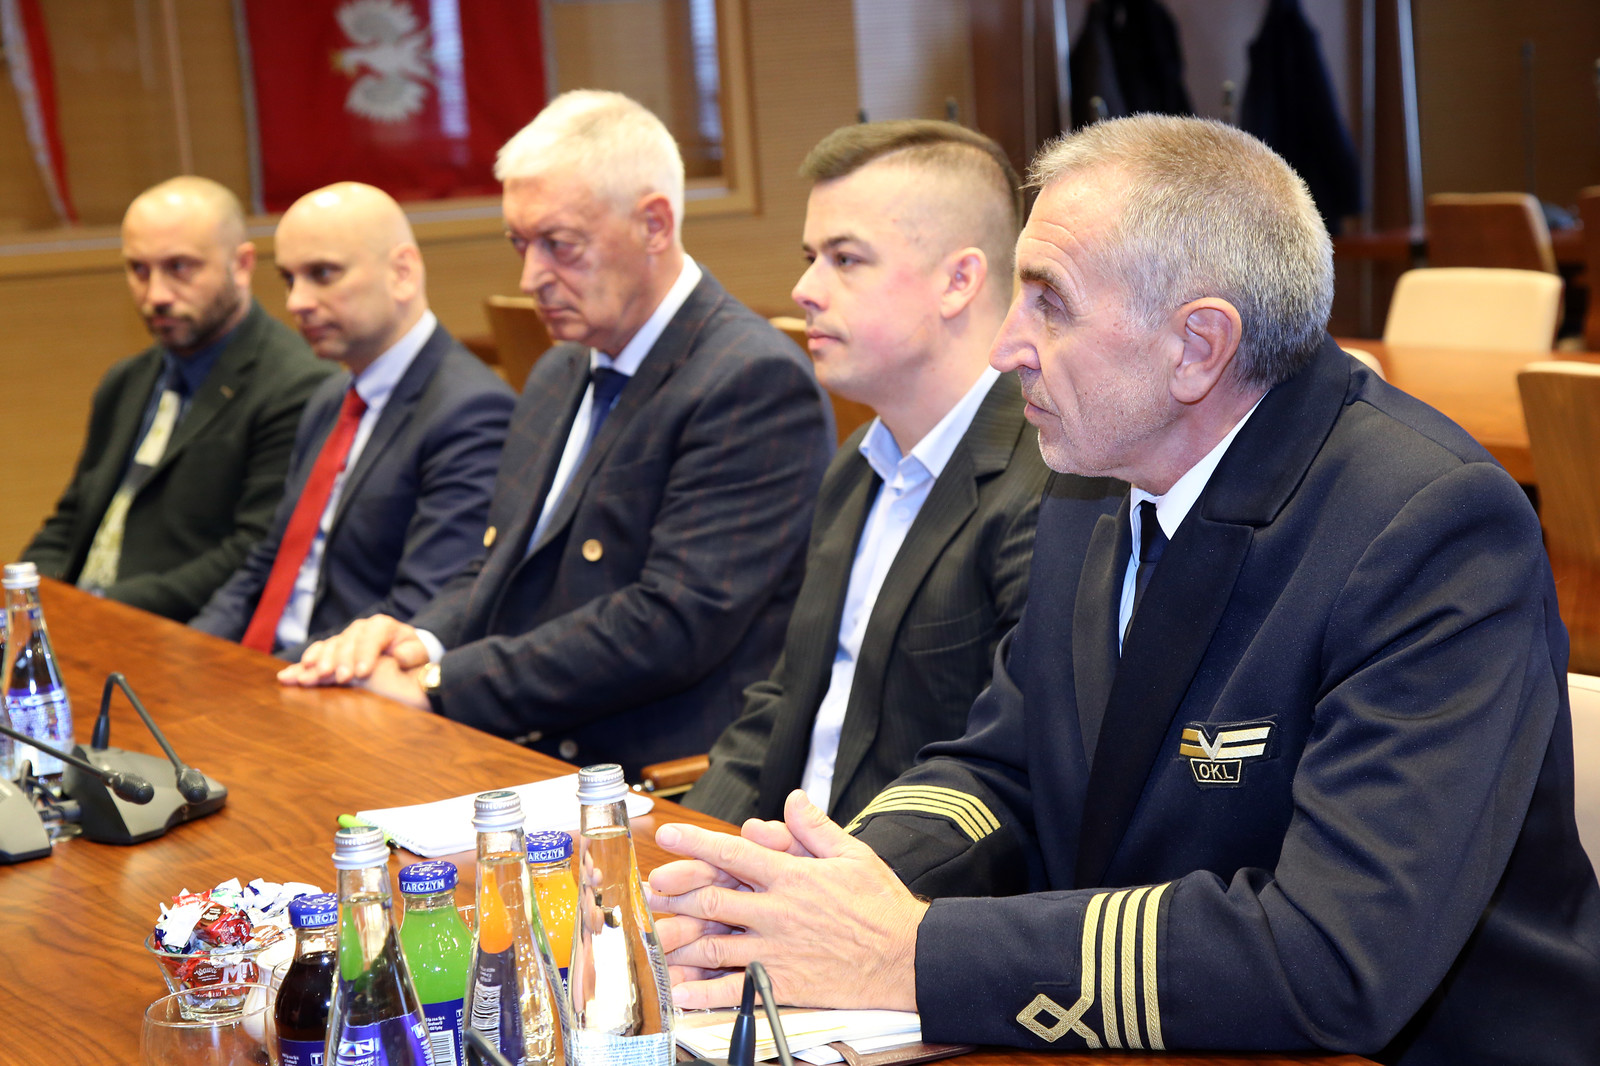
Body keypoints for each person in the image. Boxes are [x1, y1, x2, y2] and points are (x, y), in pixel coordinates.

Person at [647, 115, 1600, 1063]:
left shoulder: (1431, 527)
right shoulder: (1096, 474)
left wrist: (912, 952)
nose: (1005, 346)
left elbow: (1331, 958)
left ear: (1198, 346)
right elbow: (1007, 768)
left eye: (1049, 304)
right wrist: (826, 885)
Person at [278, 91, 834, 779]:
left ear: (654, 225)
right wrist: (419, 639)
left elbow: (668, 625)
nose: (531, 277)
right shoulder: (560, 367)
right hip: (528, 736)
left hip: (652, 774)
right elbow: (500, 561)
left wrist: (439, 686)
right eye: (520, 244)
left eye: (559, 245)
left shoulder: (750, 380)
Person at [683, 121, 1062, 828]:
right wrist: (685, 850)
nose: (804, 289)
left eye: (845, 259)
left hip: (901, 877)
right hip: (784, 861)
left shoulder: (1047, 484)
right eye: (810, 258)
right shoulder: (858, 462)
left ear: (958, 281)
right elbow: (785, 703)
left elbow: (1008, 775)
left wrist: (812, 879)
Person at [191, 183, 514, 659]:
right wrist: (192, 654)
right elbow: (270, 562)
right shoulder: (330, 398)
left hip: (344, 677)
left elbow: (419, 609)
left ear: (402, 273)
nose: (297, 302)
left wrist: (259, 676)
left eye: (323, 274)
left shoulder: (472, 411)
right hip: (269, 666)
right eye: (289, 279)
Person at [22, 176, 332, 621]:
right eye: (139, 270)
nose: (156, 295)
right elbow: (72, 520)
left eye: (180, 267)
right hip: (82, 620)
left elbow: (254, 553)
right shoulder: (126, 381)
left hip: (178, 631)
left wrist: (97, 610)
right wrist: (26, 601)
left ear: (241, 265)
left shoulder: (297, 386)